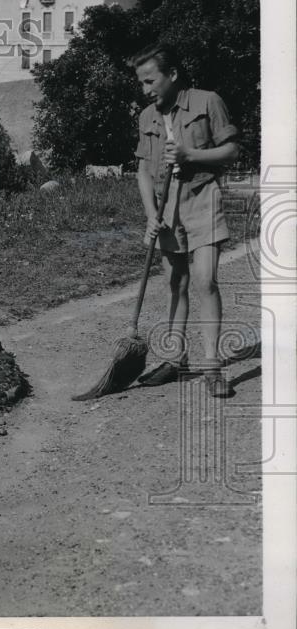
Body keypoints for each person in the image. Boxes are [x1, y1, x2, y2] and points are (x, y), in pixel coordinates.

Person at [130, 44, 240, 398]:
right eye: (142, 83)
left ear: (172, 75)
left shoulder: (208, 101)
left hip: (203, 197)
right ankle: (175, 358)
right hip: (166, 208)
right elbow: (144, 170)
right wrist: (150, 215)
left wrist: (191, 154)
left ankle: (211, 365)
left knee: (205, 280)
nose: (146, 90)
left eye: (151, 81)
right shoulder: (147, 116)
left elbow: (232, 151)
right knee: (176, 283)